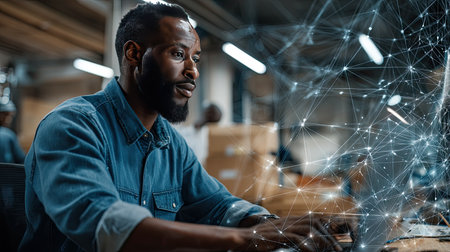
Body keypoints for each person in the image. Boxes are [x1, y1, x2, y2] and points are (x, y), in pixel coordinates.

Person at [20, 2, 347, 252]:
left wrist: (276, 226)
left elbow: (218, 204)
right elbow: (105, 223)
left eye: (197, 59)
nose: (193, 71)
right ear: (134, 54)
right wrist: (242, 238)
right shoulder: (74, 126)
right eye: (178, 54)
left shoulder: (169, 143)